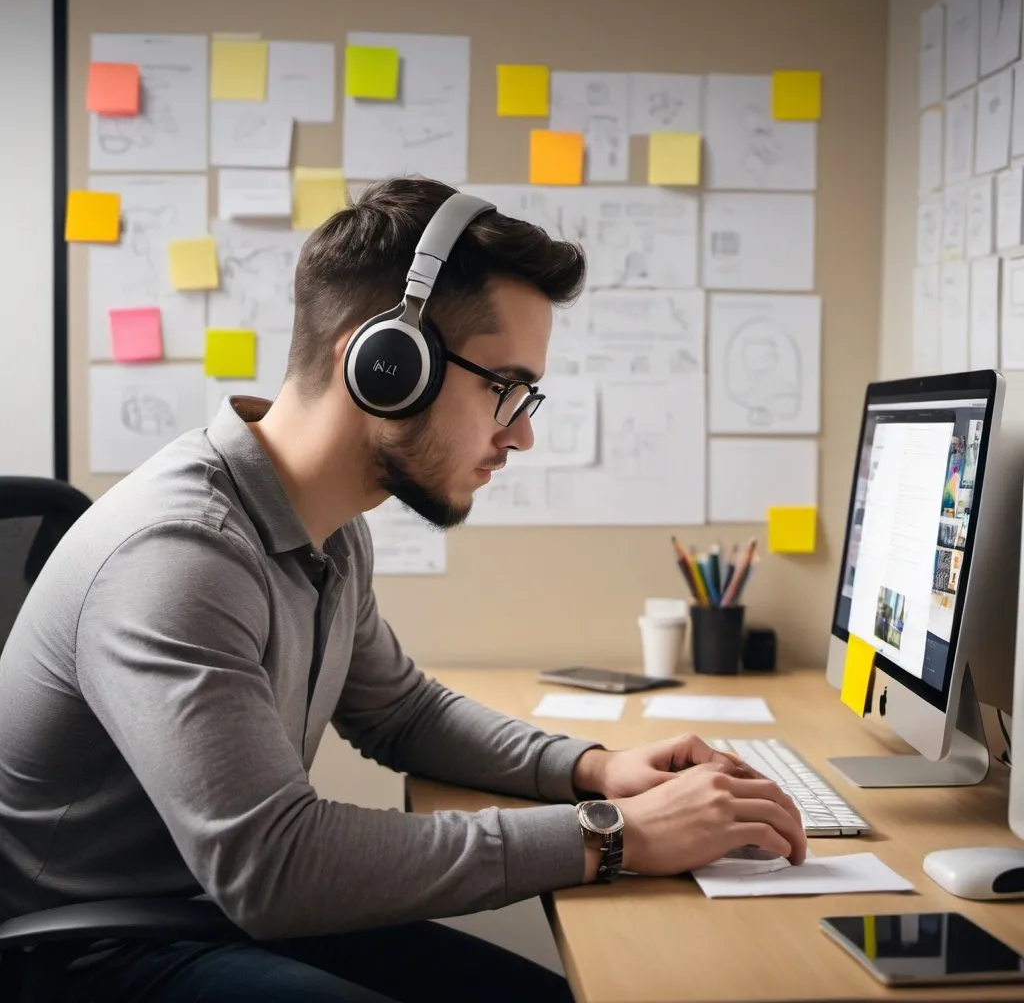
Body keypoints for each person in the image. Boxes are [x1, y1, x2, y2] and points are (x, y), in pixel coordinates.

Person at [0, 178, 806, 1003]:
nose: (522, 433)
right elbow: (273, 866)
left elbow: (400, 713)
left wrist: (596, 770)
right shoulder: (178, 554)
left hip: (211, 916)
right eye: (506, 387)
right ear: (386, 364)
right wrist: (612, 836)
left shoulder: (327, 525)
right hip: (94, 955)